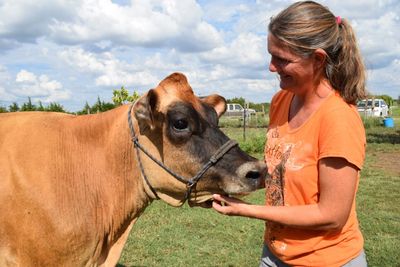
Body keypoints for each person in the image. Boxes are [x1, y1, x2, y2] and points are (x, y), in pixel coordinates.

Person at [212, 1, 368, 266]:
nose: (271, 67)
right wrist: (227, 179)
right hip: (275, 254)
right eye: (271, 55)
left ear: (318, 59)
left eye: (282, 59)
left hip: (327, 260)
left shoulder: (338, 119)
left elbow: (332, 215)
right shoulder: (281, 101)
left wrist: (247, 210)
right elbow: (281, 175)